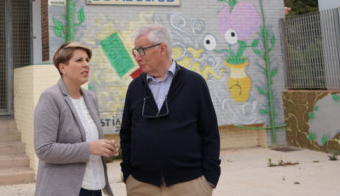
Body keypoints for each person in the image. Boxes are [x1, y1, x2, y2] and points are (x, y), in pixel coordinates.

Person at [120, 24, 221, 196]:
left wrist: (209, 178)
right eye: (135, 51)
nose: (137, 57)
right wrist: (128, 174)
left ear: (162, 49)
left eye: (142, 50)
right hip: (141, 184)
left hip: (189, 184)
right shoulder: (135, 87)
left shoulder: (194, 83)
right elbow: (126, 133)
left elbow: (210, 132)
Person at [34, 41, 117, 196]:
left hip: (95, 186)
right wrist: (90, 148)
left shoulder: (90, 98)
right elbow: (44, 150)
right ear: (62, 68)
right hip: (66, 189)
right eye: (79, 60)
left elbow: (91, 140)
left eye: (87, 60)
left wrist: (106, 147)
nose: (86, 64)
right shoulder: (51, 98)